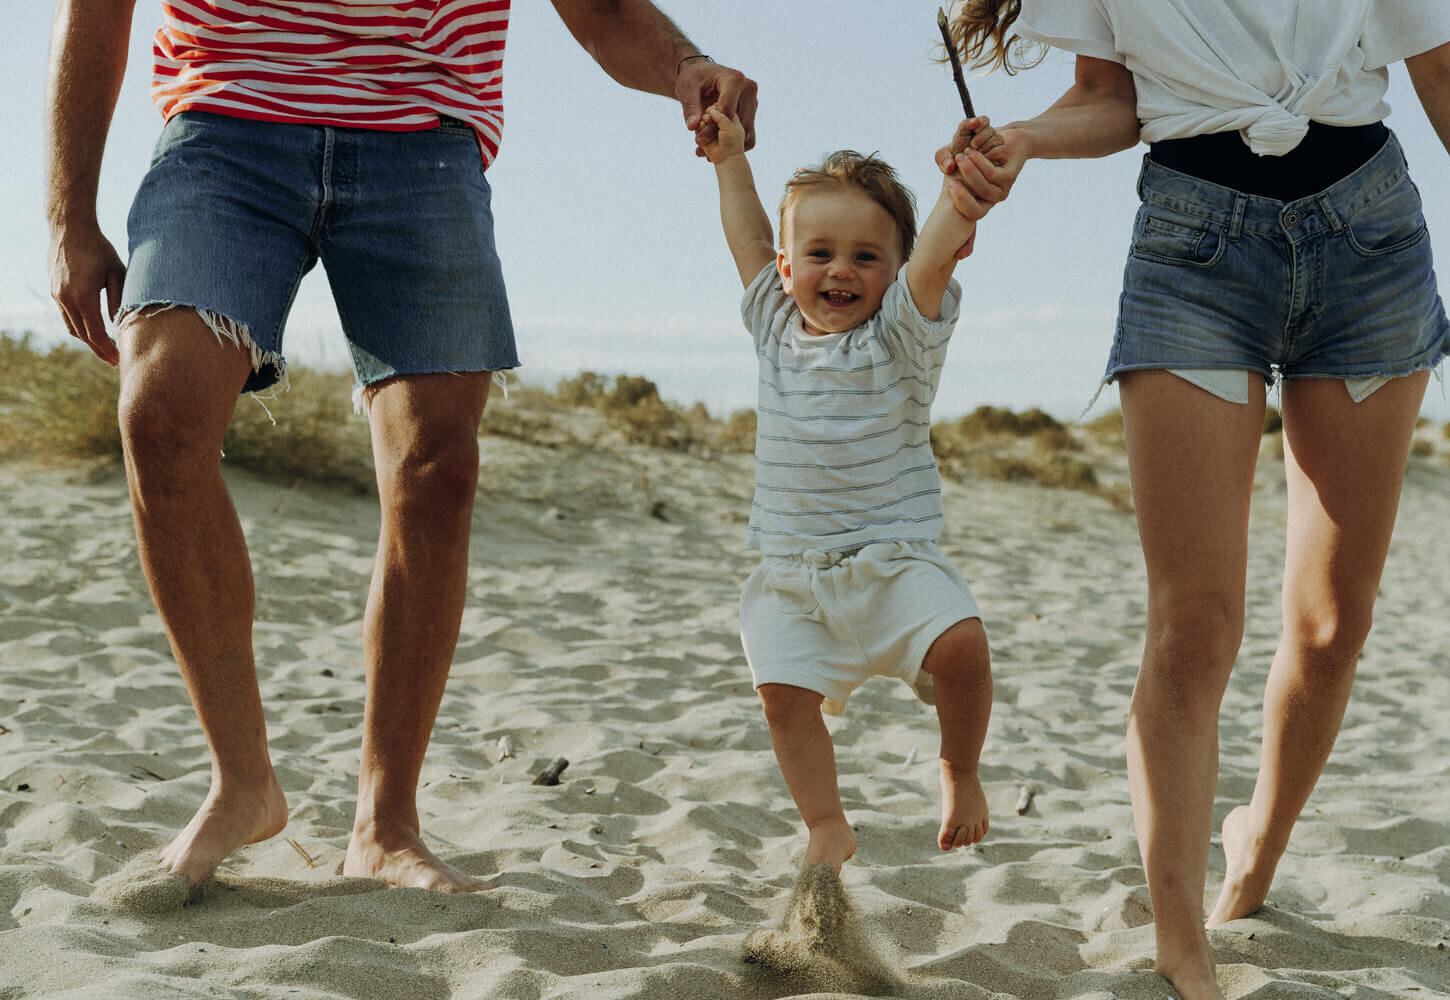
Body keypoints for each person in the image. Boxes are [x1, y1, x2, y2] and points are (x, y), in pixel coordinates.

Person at [44, 0, 757, 893]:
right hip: (226, 120)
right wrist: (70, 214)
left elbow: (602, 9)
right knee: (158, 414)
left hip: (423, 140)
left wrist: (684, 67)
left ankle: (385, 826)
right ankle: (242, 783)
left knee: (438, 467)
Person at [937, 2, 1450, 997]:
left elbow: (1443, 69)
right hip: (1195, 251)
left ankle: (1259, 847)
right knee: (1193, 629)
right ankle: (1180, 945)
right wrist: (1026, 138)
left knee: (1332, 625)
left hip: (1368, 241)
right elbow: (1112, 102)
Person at [700, 102, 1006, 872]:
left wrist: (957, 199)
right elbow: (746, 237)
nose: (841, 270)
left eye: (867, 257)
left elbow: (934, 256)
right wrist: (728, 157)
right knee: (782, 699)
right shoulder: (774, 324)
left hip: (894, 563)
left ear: (897, 272)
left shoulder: (902, 336)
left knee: (964, 649)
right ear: (788, 266)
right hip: (792, 575)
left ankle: (958, 770)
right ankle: (826, 824)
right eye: (821, 252)